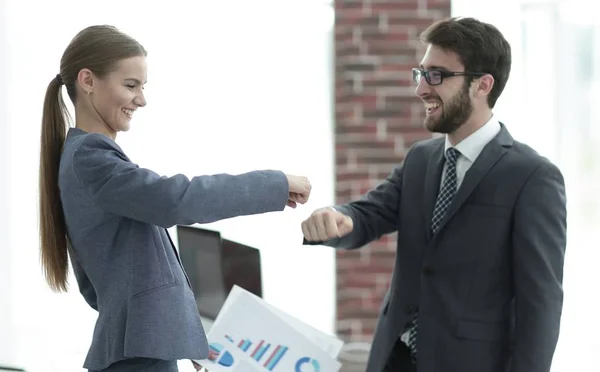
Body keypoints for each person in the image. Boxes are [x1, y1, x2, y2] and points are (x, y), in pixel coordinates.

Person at [39, 25, 311, 372]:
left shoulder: (87, 158)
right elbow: (174, 201)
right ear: (88, 81)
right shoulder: (91, 156)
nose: (142, 99)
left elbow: (110, 279)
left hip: (140, 350)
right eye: (130, 85)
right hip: (137, 355)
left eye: (143, 86)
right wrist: (274, 184)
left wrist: (175, 332)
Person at [302, 17, 566, 372]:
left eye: (437, 75)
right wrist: (338, 218)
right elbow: (367, 215)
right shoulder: (420, 159)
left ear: (482, 85)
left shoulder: (533, 177)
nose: (421, 89)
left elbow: (541, 306)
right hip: (393, 359)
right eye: (420, 73)